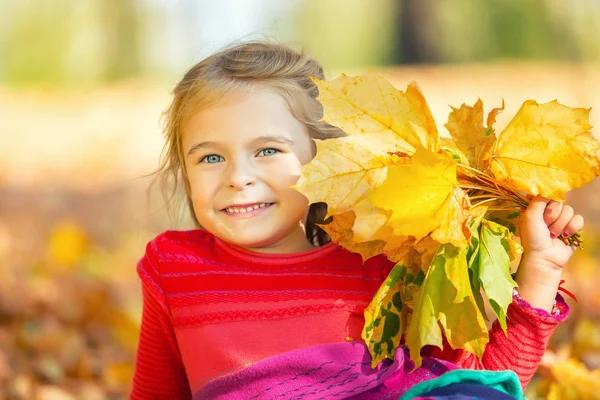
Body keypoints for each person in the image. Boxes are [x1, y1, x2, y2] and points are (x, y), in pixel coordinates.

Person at [130, 41, 583, 400]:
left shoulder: (385, 261)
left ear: (325, 157)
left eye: (267, 150)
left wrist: (540, 273)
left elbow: (483, 387)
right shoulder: (176, 268)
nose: (238, 178)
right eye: (210, 157)